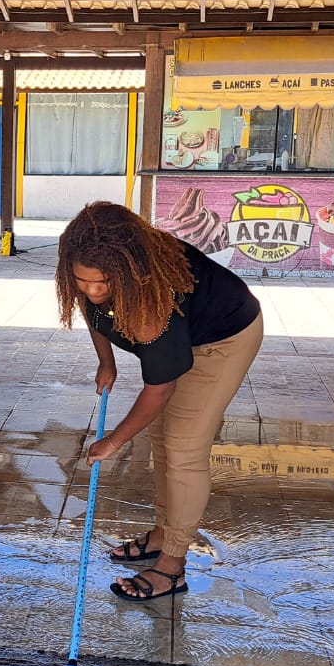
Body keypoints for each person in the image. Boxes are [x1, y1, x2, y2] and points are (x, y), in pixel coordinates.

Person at [55, 201, 265, 602]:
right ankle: (163, 532)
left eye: (102, 284)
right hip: (189, 337)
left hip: (223, 341)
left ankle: (172, 565)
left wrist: (113, 441)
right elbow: (93, 312)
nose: (92, 291)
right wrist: (106, 361)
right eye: (82, 282)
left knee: (184, 448)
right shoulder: (92, 268)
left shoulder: (153, 300)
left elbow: (159, 389)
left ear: (127, 270)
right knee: (163, 440)